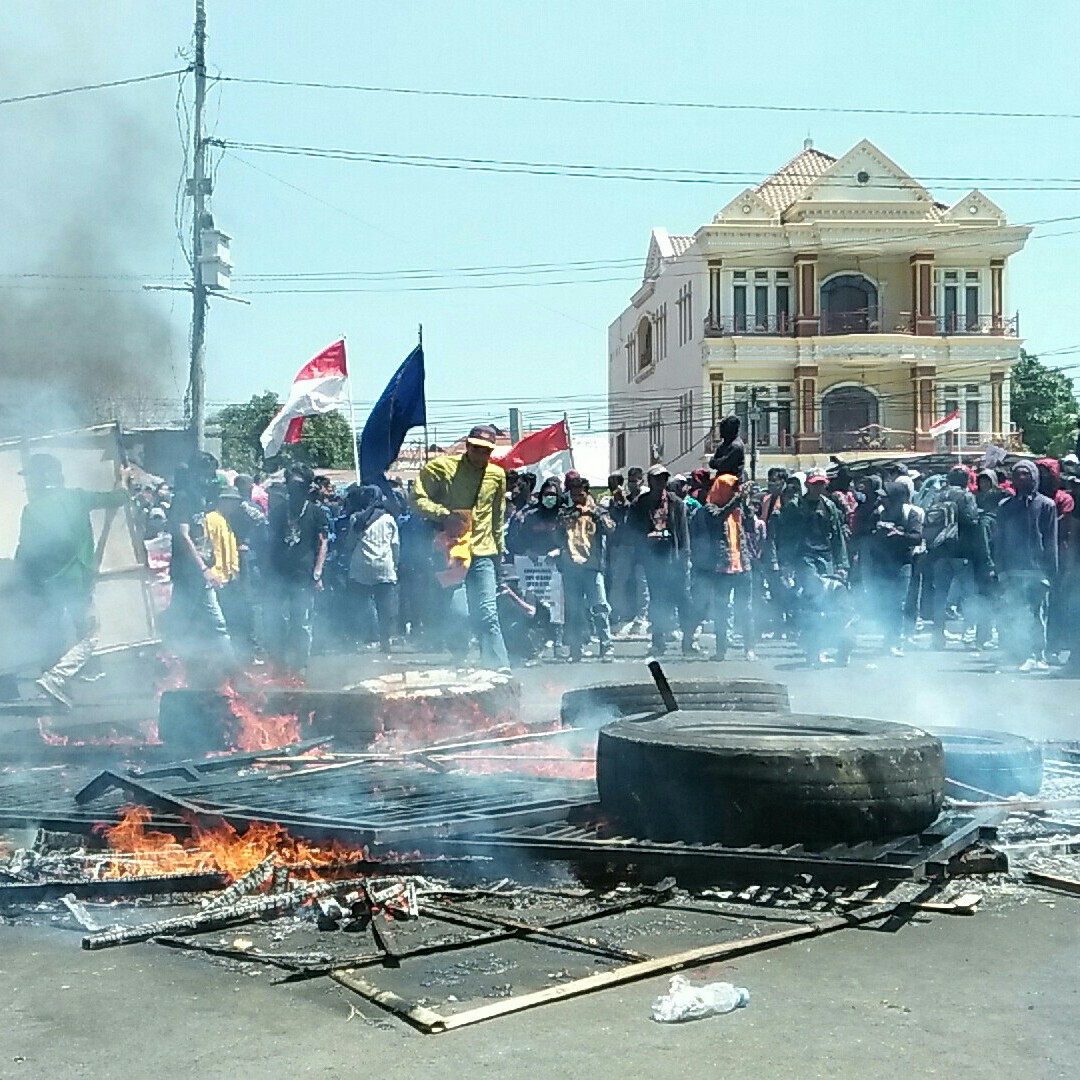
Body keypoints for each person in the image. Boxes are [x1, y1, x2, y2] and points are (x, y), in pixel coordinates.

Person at [14, 453, 131, 708]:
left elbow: (25, 551)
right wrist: (122, 480)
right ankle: (57, 678)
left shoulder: (31, 510)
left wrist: (22, 580)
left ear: (42, 478)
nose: (30, 483)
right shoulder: (76, 497)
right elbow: (117, 498)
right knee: (90, 633)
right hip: (77, 582)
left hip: (47, 586)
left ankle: (57, 683)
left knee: (53, 636)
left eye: (32, 477)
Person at [412, 424, 510, 671]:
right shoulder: (442, 468)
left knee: (488, 613)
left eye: (486, 451)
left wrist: (499, 550)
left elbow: (497, 515)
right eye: (476, 449)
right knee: (458, 613)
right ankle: (460, 663)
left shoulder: (497, 475)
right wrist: (443, 514)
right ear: (467, 446)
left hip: (484, 552)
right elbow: (416, 498)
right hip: (452, 551)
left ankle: (499, 669)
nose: (481, 456)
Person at [166, 452, 236, 685]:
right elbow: (184, 536)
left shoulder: (200, 498)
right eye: (206, 474)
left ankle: (177, 662)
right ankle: (232, 670)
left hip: (199, 570)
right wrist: (203, 569)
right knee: (211, 621)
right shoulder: (183, 498)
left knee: (186, 619)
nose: (209, 479)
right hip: (188, 572)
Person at [265, 463, 330, 676]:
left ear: (308, 488)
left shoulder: (316, 513)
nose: (294, 491)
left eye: (299, 486)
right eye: (290, 485)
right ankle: (281, 662)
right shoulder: (277, 513)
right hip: (278, 575)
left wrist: (317, 573)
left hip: (303, 576)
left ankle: (300, 664)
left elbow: (322, 543)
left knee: (301, 621)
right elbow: (271, 542)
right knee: (278, 619)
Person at [996, 460, 1057, 671]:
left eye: (1025, 474)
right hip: (1012, 569)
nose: (1021, 478)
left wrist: (1051, 572)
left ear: (1034, 477)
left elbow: (1051, 540)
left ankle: (1037, 654)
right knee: (1014, 613)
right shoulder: (1005, 507)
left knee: (1037, 614)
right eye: (1017, 474)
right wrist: (1000, 569)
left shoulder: (1046, 505)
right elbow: (999, 539)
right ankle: (1019, 652)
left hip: (1036, 570)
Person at [689, 474, 756, 661]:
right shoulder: (709, 509)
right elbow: (717, 518)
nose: (735, 492)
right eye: (731, 489)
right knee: (722, 609)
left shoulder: (737, 508)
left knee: (746, 609)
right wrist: (736, 501)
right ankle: (721, 649)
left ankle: (749, 648)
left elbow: (750, 525)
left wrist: (746, 503)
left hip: (743, 565)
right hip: (721, 567)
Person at [628, 463, 692, 655]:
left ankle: (688, 642)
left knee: (683, 600)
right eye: (656, 479)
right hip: (652, 559)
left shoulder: (676, 503)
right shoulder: (640, 504)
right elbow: (631, 531)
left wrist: (686, 556)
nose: (660, 482)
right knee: (657, 601)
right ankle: (658, 642)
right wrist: (644, 538)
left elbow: (683, 532)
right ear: (650, 481)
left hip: (674, 558)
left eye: (664, 478)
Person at [791, 467, 851, 665]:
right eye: (815, 484)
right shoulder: (795, 506)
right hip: (804, 558)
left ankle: (824, 645)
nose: (818, 488)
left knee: (829, 604)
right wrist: (784, 564)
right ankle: (812, 649)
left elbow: (837, 536)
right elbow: (785, 537)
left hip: (825, 558)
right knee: (811, 604)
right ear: (807, 484)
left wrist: (842, 563)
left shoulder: (829, 506)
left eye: (821, 484)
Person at [557, 475, 615, 662]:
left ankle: (606, 646)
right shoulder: (566, 513)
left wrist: (596, 516)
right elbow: (557, 537)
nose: (577, 499)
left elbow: (611, 528)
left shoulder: (598, 511)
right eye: (573, 495)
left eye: (580, 495)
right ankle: (576, 649)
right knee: (573, 610)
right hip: (571, 566)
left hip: (592, 566)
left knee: (599, 606)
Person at [923, 466, 980, 649]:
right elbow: (972, 520)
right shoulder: (965, 496)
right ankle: (969, 635)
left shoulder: (938, 495)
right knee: (968, 595)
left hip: (939, 550)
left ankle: (937, 636)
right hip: (961, 551)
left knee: (940, 594)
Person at [868, 481, 924, 655]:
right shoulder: (879, 513)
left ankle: (895, 640)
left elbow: (917, 537)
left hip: (903, 563)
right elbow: (867, 533)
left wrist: (900, 534)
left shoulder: (911, 514)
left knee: (898, 602)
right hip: (882, 563)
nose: (881, 500)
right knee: (885, 602)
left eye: (885, 497)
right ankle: (887, 637)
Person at [346, 485, 400, 655]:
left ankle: (365, 639)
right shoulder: (389, 519)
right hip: (384, 566)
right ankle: (385, 642)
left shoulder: (356, 519)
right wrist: (395, 564)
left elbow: (349, 544)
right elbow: (395, 545)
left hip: (360, 566)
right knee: (385, 607)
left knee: (360, 605)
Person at [605, 468, 649, 635]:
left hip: (642, 546)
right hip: (624, 545)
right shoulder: (621, 499)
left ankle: (641, 617)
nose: (632, 484)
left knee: (642, 582)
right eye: (629, 481)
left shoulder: (644, 499)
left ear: (641, 481)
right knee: (619, 580)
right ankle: (618, 614)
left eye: (635, 481)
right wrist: (619, 503)